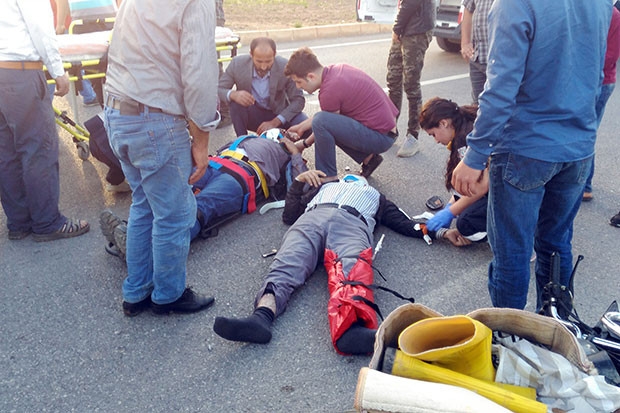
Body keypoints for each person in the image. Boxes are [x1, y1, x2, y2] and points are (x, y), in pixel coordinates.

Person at [451, 0, 611, 310]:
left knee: (512, 253)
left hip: (525, 149)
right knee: (556, 244)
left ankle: (511, 336)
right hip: (577, 148)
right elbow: (597, 76)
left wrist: (475, 155)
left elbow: (501, 88)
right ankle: (555, 329)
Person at [213, 169, 428, 355]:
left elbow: (405, 223)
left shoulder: (377, 197)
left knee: (352, 269)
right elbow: (289, 216)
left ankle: (350, 329)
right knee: (287, 263)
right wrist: (298, 183)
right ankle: (261, 317)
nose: (353, 176)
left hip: (352, 223)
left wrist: (439, 231)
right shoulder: (323, 187)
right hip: (312, 218)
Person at [103, 0, 220, 317]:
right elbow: (199, 72)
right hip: (153, 117)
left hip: (117, 110)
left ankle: (136, 291)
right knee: (174, 214)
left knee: (144, 204)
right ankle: (169, 295)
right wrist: (202, 139)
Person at [100, 130, 309, 258]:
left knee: (201, 207)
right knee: (173, 195)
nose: (289, 135)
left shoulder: (286, 156)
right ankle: (135, 236)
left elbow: (298, 187)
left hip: (241, 176)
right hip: (213, 164)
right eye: (285, 132)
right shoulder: (246, 138)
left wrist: (295, 153)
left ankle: (145, 251)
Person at [1, 0, 90, 242]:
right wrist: (57, 70)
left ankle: (19, 222)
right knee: (37, 149)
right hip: (19, 71)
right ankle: (47, 222)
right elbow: (40, 26)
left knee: (6, 153)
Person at [284, 47, 399, 180]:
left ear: (311, 76)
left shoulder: (329, 91)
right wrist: (301, 127)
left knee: (322, 122)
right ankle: (369, 158)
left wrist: (303, 144)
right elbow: (330, 117)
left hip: (381, 138)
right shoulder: (336, 70)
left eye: (298, 82)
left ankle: (327, 176)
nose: (298, 87)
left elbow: (324, 123)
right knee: (326, 121)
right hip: (387, 131)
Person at [419, 98, 488, 247]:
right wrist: (450, 206)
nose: (436, 141)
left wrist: (450, 212)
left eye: (433, 134)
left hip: (511, 188)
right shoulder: (465, 125)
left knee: (466, 224)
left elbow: (482, 186)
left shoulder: (466, 140)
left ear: (444, 123)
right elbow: (464, 183)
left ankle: (511, 229)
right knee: (463, 208)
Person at [218, 37, 308, 138]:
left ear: (275, 54)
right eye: (259, 61)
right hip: (253, 115)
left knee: (306, 128)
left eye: (268, 61)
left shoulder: (285, 66)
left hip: (278, 114)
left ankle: (286, 143)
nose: (263, 67)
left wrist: (276, 122)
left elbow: (298, 100)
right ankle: (242, 140)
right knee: (235, 103)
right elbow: (219, 89)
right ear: (251, 54)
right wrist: (233, 94)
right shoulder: (237, 64)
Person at [386, 0, 435, 158]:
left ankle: (413, 136)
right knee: (393, 80)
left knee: (411, 84)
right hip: (405, 27)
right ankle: (390, 129)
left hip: (417, 29)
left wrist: (397, 27)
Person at [584, 5, 620, 202]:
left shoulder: (612, 15)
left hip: (602, 81)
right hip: (591, 79)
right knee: (584, 131)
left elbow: (611, 56)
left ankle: (585, 185)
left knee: (585, 132)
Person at [53, 0, 119, 106]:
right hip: (105, 19)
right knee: (110, 69)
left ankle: (106, 104)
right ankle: (107, 105)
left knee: (96, 71)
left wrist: (60, 24)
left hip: (84, 23)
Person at [460, 0, 494, 104]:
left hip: (499, 62)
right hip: (478, 58)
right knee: (477, 104)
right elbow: (468, 9)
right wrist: (465, 43)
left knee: (499, 103)